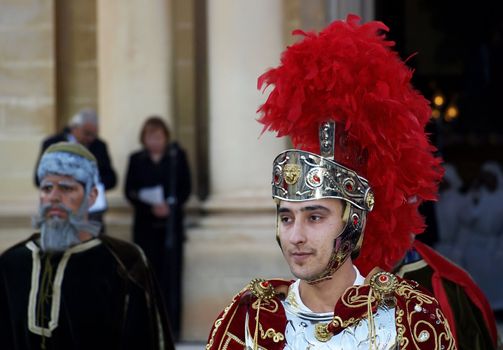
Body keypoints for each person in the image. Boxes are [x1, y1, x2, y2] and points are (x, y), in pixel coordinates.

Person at [206, 15, 456, 349]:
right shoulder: (248, 321)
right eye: (286, 218)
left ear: (354, 221)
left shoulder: (410, 321)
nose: (295, 237)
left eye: (315, 217)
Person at [1, 142, 173, 350]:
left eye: (66, 187)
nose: (54, 197)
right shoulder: (12, 264)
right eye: (47, 187)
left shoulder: (124, 263)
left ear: (92, 197)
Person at [124, 116, 191, 341]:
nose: (154, 141)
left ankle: (173, 328)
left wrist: (169, 206)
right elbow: (129, 190)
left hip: (170, 227)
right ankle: (148, 328)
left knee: (170, 278)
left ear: (165, 137)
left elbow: (185, 187)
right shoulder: (136, 159)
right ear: (144, 139)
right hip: (146, 227)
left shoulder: (175, 157)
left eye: (158, 136)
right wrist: (150, 206)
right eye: (150, 137)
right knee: (146, 276)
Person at [34, 108, 117, 226]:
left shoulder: (99, 146)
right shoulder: (52, 143)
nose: (90, 138)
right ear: (74, 128)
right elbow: (38, 179)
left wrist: (88, 182)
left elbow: (112, 179)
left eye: (94, 135)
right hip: (58, 212)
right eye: (87, 133)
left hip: (91, 214)